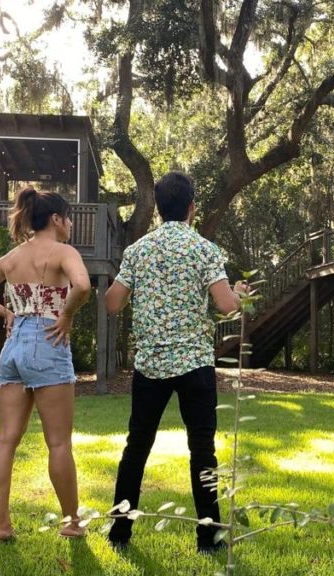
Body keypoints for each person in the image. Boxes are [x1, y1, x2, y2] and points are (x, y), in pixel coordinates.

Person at [104, 171, 247, 554]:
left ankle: (119, 531)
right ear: (191, 207)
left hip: (150, 364)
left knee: (137, 447)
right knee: (202, 449)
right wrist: (239, 294)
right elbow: (226, 305)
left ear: (158, 210)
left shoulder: (138, 251)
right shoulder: (204, 250)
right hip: (195, 365)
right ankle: (210, 539)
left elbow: (113, 303)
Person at [0, 187, 91, 542]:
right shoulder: (63, 250)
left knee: (6, 439)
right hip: (48, 343)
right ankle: (72, 522)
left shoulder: (13, 257)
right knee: (59, 443)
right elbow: (82, 285)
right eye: (69, 218)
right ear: (57, 219)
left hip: (13, 347)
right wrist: (66, 314)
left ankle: (0, 525)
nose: (71, 225)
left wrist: (9, 313)